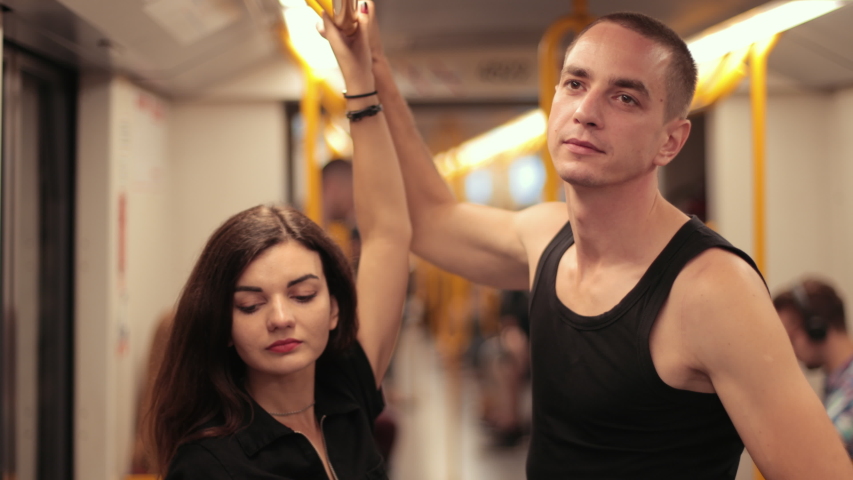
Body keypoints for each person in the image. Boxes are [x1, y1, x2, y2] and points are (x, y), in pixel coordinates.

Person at [346, 3, 853, 478]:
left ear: (670, 141)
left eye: (624, 97)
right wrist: (373, 71)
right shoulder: (546, 236)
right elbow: (431, 220)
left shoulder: (713, 291)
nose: (586, 110)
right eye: (574, 83)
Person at [145, 4, 410, 478]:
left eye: (303, 294)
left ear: (333, 309)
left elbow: (388, 233)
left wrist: (359, 75)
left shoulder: (345, 388)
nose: (281, 318)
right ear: (223, 327)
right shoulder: (208, 466)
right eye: (250, 305)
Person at [774, 277, 853, 458]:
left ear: (816, 328)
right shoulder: (837, 382)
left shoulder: (849, 391)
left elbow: (819, 455)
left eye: (790, 339)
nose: (790, 351)